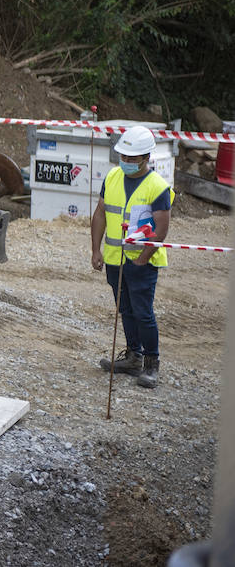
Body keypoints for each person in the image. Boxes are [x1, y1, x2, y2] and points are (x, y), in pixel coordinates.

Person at [91, 125, 173, 389]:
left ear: (146, 157)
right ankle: (133, 356)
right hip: (115, 260)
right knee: (125, 309)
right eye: (123, 157)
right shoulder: (112, 178)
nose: (125, 162)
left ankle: (151, 364)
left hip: (142, 262)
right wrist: (96, 249)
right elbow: (101, 213)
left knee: (142, 312)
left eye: (131, 158)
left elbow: (161, 228)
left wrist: (142, 258)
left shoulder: (157, 187)